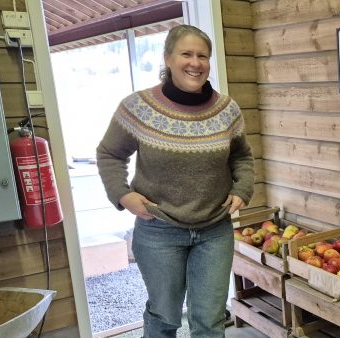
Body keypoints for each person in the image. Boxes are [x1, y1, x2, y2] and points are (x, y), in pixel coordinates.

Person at [96, 24, 254, 338]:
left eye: (202, 56)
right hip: (158, 230)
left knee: (209, 321)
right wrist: (123, 194)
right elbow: (110, 154)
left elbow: (242, 156)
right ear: (168, 58)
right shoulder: (137, 107)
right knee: (164, 316)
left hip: (214, 230)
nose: (195, 63)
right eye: (186, 54)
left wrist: (242, 188)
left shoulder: (227, 110)